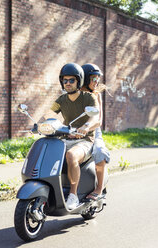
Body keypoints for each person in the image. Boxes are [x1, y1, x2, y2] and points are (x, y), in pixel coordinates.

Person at [40, 63, 99, 210]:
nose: (67, 83)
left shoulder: (89, 98)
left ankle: (73, 195)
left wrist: (85, 127)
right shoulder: (61, 99)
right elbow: (49, 113)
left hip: (85, 140)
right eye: (65, 80)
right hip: (66, 138)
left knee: (71, 156)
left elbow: (95, 118)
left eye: (71, 80)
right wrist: (42, 125)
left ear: (78, 81)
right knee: (46, 152)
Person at [81, 63, 110, 201]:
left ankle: (98, 189)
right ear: (85, 79)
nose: (96, 81)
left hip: (93, 132)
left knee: (100, 151)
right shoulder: (73, 94)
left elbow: (98, 121)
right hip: (72, 132)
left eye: (98, 78)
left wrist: (86, 127)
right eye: (93, 78)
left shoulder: (96, 96)